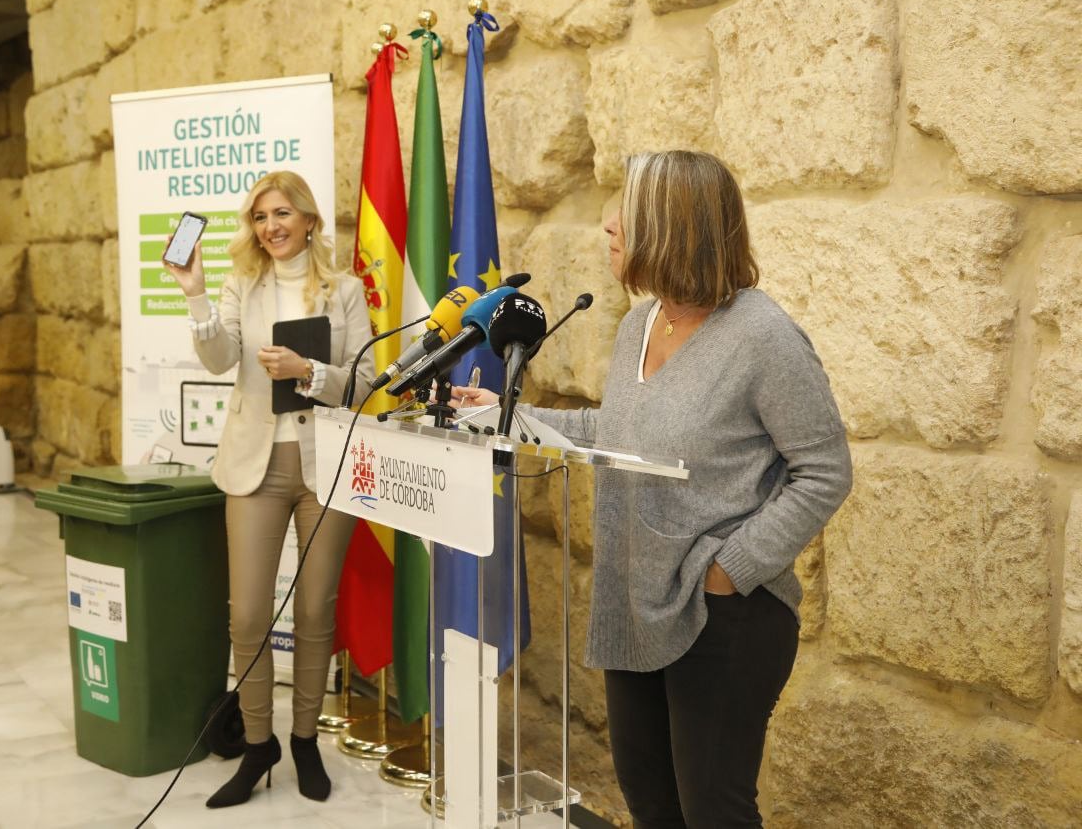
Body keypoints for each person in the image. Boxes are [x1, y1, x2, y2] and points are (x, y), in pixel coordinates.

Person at [452, 151, 853, 828]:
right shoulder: (641, 323)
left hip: (723, 615)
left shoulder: (763, 336)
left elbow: (825, 469)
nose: (609, 224)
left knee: (712, 811)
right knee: (652, 803)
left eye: (628, 212)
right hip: (634, 603)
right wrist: (506, 414)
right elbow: (617, 430)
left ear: (674, 227)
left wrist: (730, 569)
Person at [164, 170, 373, 808]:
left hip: (324, 469)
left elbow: (366, 381)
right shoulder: (239, 284)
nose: (271, 227)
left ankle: (304, 739)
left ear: (309, 219)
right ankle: (259, 745)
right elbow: (220, 359)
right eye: (260, 217)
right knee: (250, 614)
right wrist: (196, 296)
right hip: (253, 466)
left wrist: (311, 372)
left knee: (314, 613)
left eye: (282, 213)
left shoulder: (344, 290)